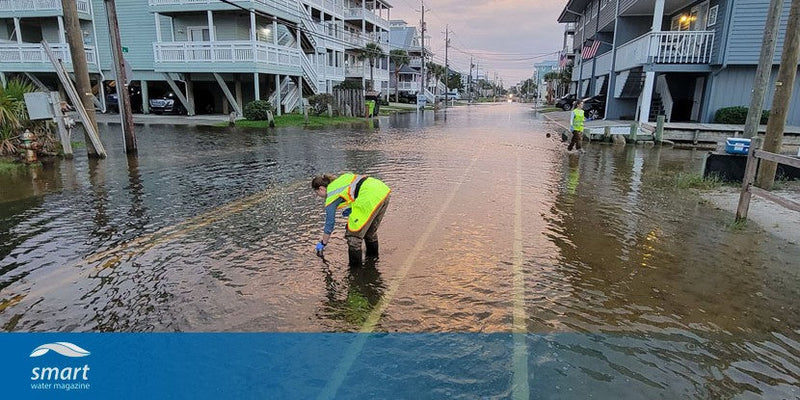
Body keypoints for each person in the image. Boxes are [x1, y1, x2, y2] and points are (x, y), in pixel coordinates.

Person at [311, 173, 391, 267]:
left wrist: (323, 243)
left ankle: (355, 273)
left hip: (369, 197)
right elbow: (355, 189)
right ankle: (373, 262)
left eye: (317, 193)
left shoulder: (331, 196)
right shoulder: (341, 179)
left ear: (321, 188)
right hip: (382, 190)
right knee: (369, 232)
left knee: (353, 237)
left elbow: (330, 224)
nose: (319, 196)